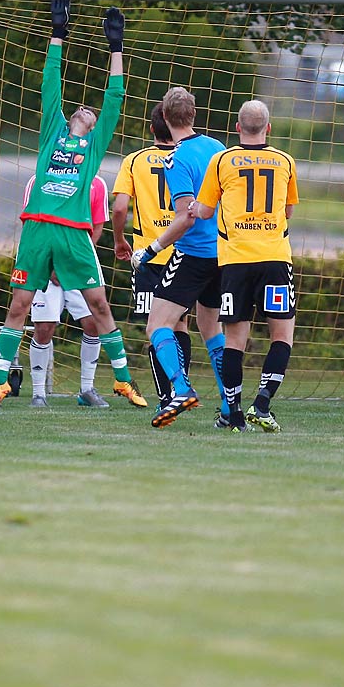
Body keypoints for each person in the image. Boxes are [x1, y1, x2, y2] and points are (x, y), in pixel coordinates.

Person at [0, 0, 146, 409]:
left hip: (74, 236)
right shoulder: (51, 131)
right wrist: (58, 34)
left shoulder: (93, 148)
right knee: (20, 306)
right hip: (38, 227)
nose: (85, 111)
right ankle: (1, 383)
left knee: (98, 306)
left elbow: (114, 98)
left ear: (94, 127)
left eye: (91, 114)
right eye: (81, 110)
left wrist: (116, 49)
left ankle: (122, 381)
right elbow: (50, 82)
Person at [193, 99, 299, 432]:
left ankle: (234, 414)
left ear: (238, 127)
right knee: (281, 335)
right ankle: (263, 404)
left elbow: (206, 211)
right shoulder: (284, 161)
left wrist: (193, 209)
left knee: (235, 339)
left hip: (236, 262)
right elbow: (289, 212)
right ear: (268, 128)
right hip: (275, 259)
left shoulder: (222, 160)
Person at [131, 86, 229, 428]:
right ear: (193, 115)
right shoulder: (218, 149)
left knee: (157, 324)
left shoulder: (176, 158)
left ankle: (181, 388)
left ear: (165, 120)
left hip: (193, 255)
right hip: (223, 253)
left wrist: (152, 249)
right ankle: (230, 410)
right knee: (211, 329)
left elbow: (186, 216)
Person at [111, 103, 196, 407]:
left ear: (151, 130)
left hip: (148, 256)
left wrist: (120, 240)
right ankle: (181, 388)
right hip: (183, 253)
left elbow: (120, 207)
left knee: (156, 328)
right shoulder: (188, 156)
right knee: (180, 324)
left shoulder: (134, 161)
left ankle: (167, 396)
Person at [19, 171, 110, 407]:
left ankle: (87, 389)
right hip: (45, 265)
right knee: (44, 327)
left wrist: (73, 263)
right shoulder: (39, 179)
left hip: (78, 266)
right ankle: (38, 393)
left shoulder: (96, 182)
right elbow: (31, 225)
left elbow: (96, 228)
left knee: (93, 324)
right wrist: (51, 266)